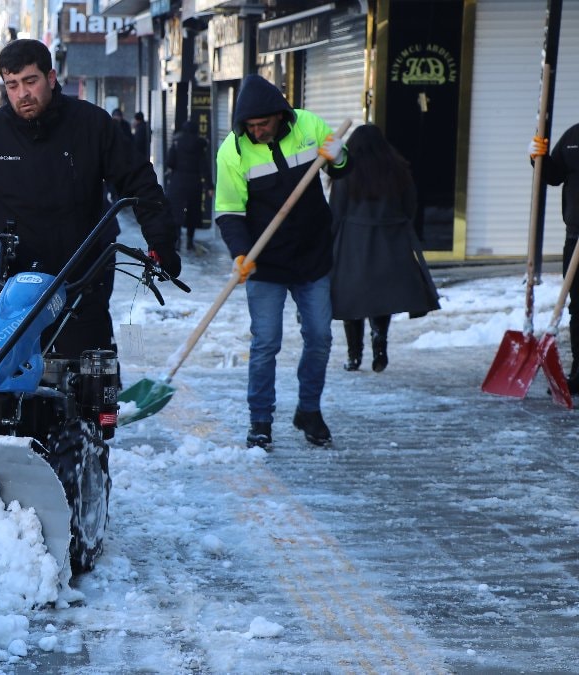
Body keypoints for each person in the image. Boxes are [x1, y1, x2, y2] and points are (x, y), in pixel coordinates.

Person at [0, 38, 181, 360]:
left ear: (51, 77)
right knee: (12, 371)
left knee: (90, 368)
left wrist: (161, 241)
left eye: (30, 81)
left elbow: (139, 183)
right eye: (12, 85)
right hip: (16, 274)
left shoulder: (92, 124)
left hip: (85, 268)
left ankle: (100, 411)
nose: (22, 94)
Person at [213, 73, 350, 450]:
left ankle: (309, 410)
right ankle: (260, 420)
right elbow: (228, 211)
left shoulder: (309, 126)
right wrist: (240, 253)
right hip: (265, 261)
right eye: (251, 127)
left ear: (280, 115)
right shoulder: (233, 152)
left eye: (264, 124)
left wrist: (338, 158)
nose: (257, 132)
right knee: (266, 342)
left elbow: (343, 169)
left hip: (312, 254)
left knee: (320, 336)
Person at [329, 124, 439, 373]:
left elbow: (336, 210)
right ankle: (380, 343)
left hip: (353, 241)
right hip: (390, 239)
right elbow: (410, 206)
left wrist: (328, 241)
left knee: (352, 298)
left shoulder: (347, 172)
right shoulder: (398, 170)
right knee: (382, 296)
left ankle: (353, 355)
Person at [531, 123, 579, 393]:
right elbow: (554, 176)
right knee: (578, 308)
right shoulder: (573, 137)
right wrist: (538, 158)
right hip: (575, 237)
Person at [165, 120, 214, 252]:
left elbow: (170, 162)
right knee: (193, 212)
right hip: (194, 183)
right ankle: (190, 242)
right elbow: (204, 167)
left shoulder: (176, 143)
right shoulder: (199, 146)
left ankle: (177, 241)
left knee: (176, 212)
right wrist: (209, 186)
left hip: (177, 182)